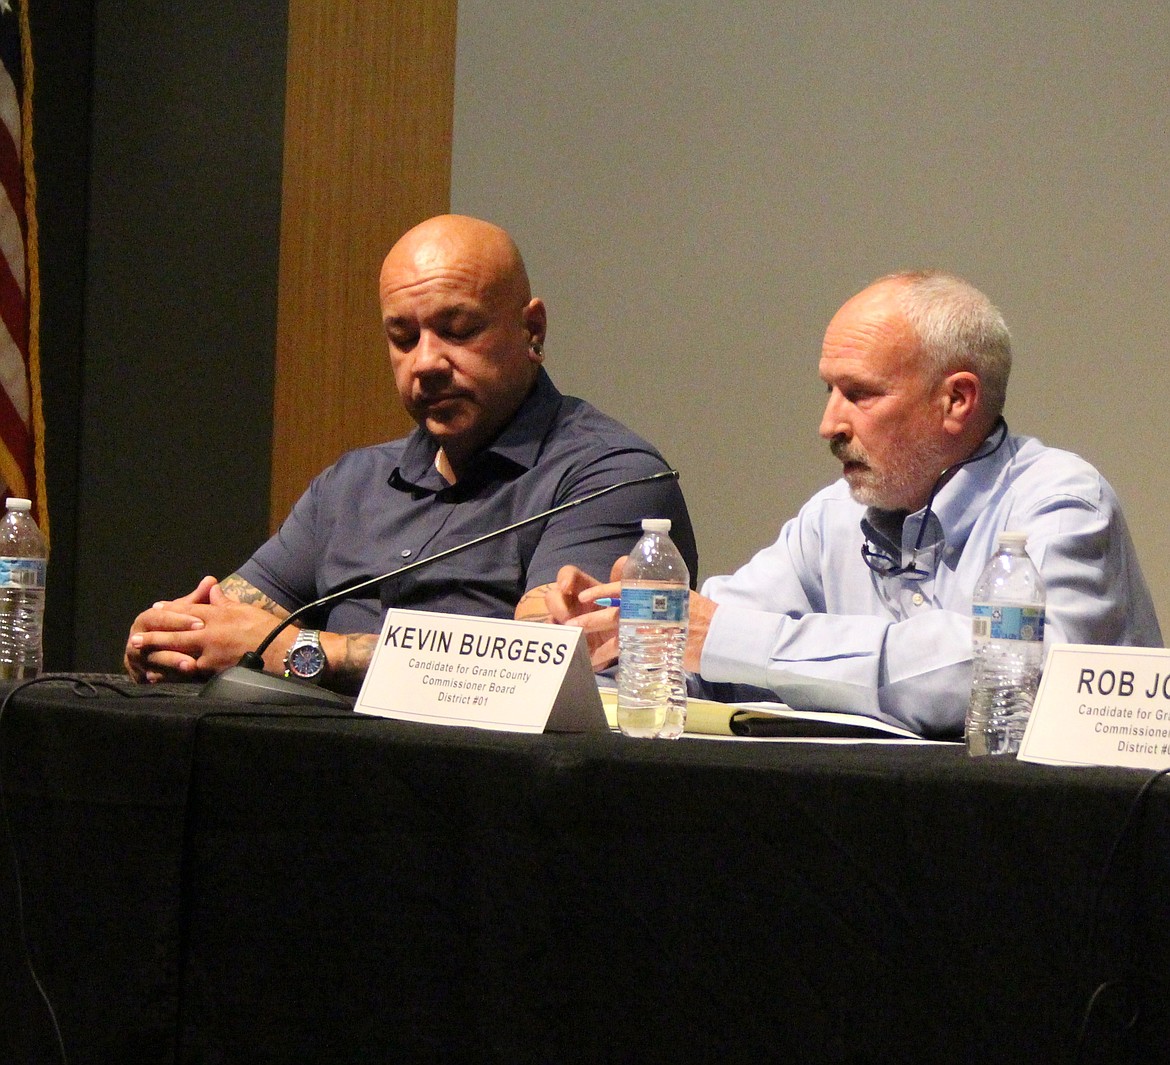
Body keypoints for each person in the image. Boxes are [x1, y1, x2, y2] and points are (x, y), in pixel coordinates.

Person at [546, 271, 1161, 738]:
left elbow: (1012, 675)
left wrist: (731, 638)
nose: (828, 424)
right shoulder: (832, 516)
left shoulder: (1062, 502)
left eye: (859, 394)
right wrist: (604, 635)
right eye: (828, 390)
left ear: (957, 401)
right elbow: (715, 642)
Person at [125, 214, 696, 692]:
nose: (425, 362)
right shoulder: (353, 482)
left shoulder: (612, 477)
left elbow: (537, 675)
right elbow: (235, 618)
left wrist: (297, 651)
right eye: (403, 338)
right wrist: (175, 636)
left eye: (458, 329)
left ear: (532, 330)